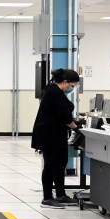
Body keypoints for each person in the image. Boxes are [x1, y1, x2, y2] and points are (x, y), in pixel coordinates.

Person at [31, 68, 81, 208]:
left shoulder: (55, 91)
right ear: (65, 82)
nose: (72, 88)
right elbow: (64, 115)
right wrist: (75, 127)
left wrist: (73, 123)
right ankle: (47, 198)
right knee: (50, 165)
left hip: (56, 134)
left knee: (59, 165)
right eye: (72, 85)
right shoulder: (53, 92)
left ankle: (60, 195)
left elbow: (65, 109)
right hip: (49, 135)